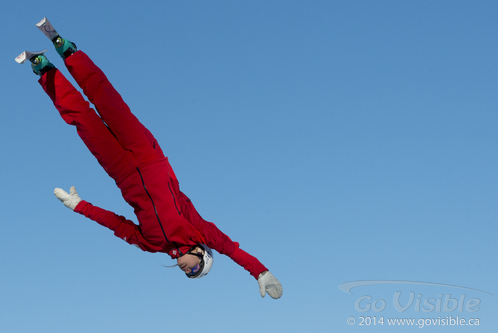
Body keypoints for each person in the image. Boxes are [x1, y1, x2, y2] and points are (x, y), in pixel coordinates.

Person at [23, 26, 283, 299]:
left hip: (120, 171)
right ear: (202, 256)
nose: (186, 271)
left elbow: (116, 224)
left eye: (187, 275)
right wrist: (261, 272)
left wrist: (79, 206)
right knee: (107, 101)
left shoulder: (152, 244)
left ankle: (44, 69)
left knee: (82, 120)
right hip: (148, 156)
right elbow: (232, 250)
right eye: (194, 271)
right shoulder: (199, 231)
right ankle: (68, 51)